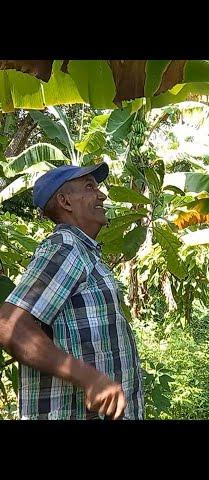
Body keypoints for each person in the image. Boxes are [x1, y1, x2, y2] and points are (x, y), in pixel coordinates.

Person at [0, 163, 144, 420]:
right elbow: (10, 326)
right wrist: (88, 377)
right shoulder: (65, 247)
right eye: (90, 187)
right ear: (65, 201)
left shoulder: (84, 253)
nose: (101, 195)